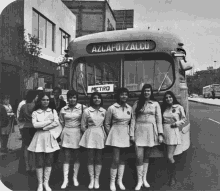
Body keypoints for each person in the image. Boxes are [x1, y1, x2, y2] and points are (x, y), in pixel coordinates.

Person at [130, 84, 163, 190]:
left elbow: (159, 120)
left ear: (151, 92)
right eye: (145, 91)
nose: (147, 93)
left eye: (148, 91)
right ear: (142, 92)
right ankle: (139, 181)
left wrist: (160, 134)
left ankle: (144, 179)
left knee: (146, 156)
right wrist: (131, 134)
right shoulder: (137, 103)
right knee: (139, 156)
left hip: (150, 131)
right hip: (139, 131)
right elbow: (133, 119)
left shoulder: (155, 104)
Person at [28, 92, 60, 191]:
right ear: (40, 101)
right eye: (43, 100)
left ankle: (46, 183)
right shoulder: (35, 112)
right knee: (39, 162)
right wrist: (49, 122)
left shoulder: (53, 111)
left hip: (50, 136)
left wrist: (44, 126)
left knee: (49, 161)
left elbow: (57, 123)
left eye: (47, 100)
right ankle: (40, 184)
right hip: (39, 138)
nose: (45, 101)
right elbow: (35, 125)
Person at [105, 88, 133, 191]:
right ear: (118, 96)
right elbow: (107, 124)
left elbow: (131, 123)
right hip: (115, 134)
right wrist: (111, 135)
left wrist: (131, 135)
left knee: (122, 159)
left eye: (126, 95)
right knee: (115, 159)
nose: (124, 96)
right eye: (122, 95)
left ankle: (119, 181)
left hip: (125, 134)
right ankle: (112, 182)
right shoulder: (112, 108)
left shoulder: (130, 108)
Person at [59, 90, 86, 189]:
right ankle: (65, 180)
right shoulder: (63, 109)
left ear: (77, 98)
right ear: (67, 98)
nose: (72, 99)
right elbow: (61, 122)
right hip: (66, 133)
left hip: (77, 133)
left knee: (76, 157)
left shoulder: (82, 108)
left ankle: (75, 178)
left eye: (74, 97)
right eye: (70, 97)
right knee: (66, 157)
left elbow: (86, 120)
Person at [79, 92, 106, 189]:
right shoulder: (87, 111)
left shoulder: (104, 111)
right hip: (90, 134)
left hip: (100, 135)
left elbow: (106, 124)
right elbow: (83, 125)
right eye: (94, 98)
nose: (97, 99)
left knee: (98, 158)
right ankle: (91, 179)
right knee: (90, 158)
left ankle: (97, 179)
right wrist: (88, 133)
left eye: (99, 98)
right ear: (92, 100)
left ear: (101, 100)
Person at [161, 91, 186, 186]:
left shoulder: (178, 107)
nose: (168, 99)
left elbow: (184, 119)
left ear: (173, 98)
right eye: (166, 98)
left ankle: (172, 177)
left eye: (170, 97)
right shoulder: (163, 108)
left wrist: (176, 124)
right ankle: (168, 175)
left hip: (173, 132)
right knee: (165, 156)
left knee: (169, 157)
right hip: (164, 132)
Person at [18, 90, 38, 173]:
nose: (37, 98)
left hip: (26, 128)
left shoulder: (23, 106)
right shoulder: (36, 106)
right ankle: (33, 166)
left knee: (26, 148)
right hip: (34, 128)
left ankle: (27, 166)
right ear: (33, 97)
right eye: (36, 96)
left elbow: (20, 118)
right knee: (33, 148)